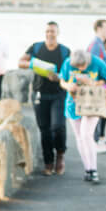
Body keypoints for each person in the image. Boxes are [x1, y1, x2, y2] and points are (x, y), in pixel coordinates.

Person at [18, 21, 71, 175]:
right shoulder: (36, 47)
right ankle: (48, 162)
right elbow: (20, 62)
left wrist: (59, 77)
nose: (50, 34)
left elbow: (71, 72)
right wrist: (35, 65)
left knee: (58, 126)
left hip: (59, 94)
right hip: (40, 93)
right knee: (45, 130)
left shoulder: (65, 51)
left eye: (53, 31)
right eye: (47, 31)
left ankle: (60, 155)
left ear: (57, 33)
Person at [58, 48, 106, 184]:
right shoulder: (67, 63)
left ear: (88, 61)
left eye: (82, 66)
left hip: (92, 104)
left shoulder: (97, 63)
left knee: (86, 134)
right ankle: (87, 169)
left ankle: (94, 170)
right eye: (76, 67)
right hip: (73, 104)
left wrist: (92, 82)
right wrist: (68, 86)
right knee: (79, 137)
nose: (80, 69)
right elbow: (62, 81)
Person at [87, 20, 106, 153]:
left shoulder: (99, 45)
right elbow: (91, 67)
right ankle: (94, 144)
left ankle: (96, 142)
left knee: (97, 116)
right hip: (96, 87)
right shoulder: (96, 45)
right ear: (99, 28)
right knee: (94, 117)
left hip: (100, 86)